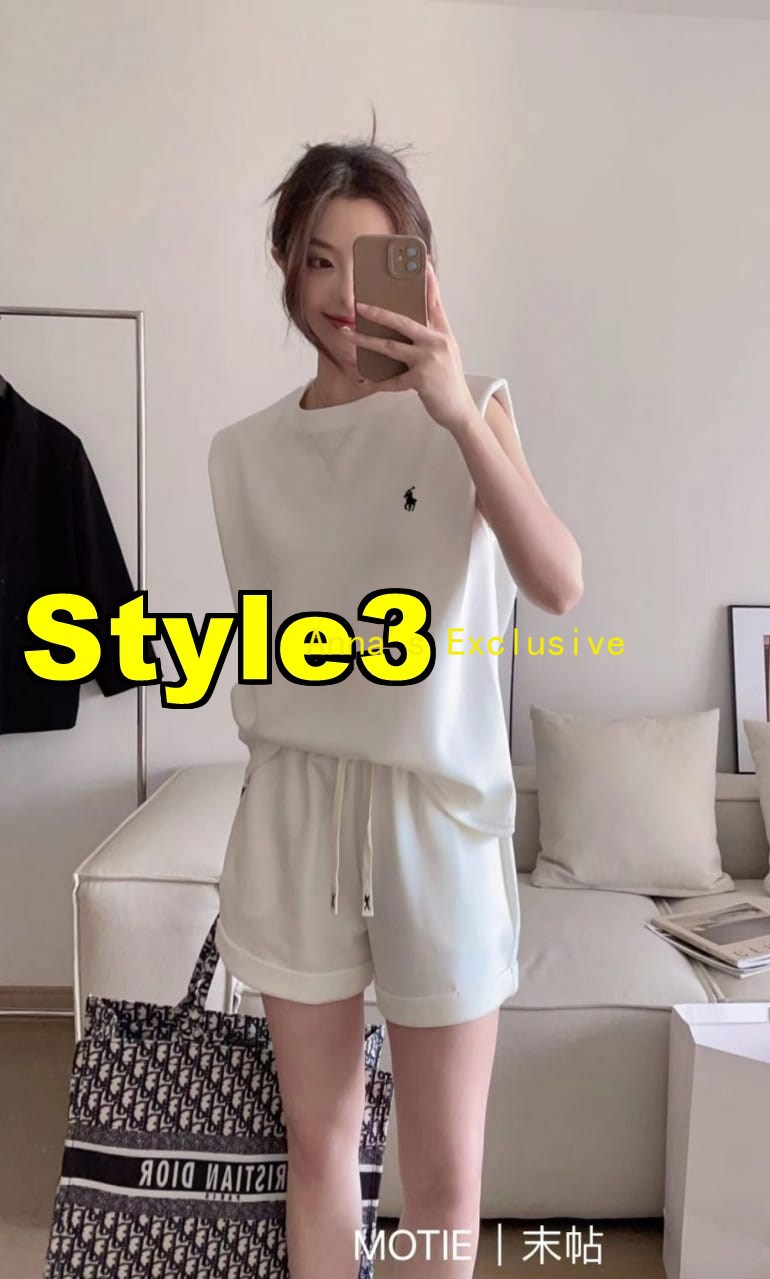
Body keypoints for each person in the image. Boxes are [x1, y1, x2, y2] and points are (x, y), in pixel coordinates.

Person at [207, 113, 584, 1279]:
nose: (339, 292)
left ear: (417, 270)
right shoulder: (242, 453)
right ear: (285, 264)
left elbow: (559, 583)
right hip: (295, 808)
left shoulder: (474, 413)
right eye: (316, 258)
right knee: (318, 1145)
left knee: (444, 1174)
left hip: (436, 814)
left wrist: (458, 412)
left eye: (370, 260)